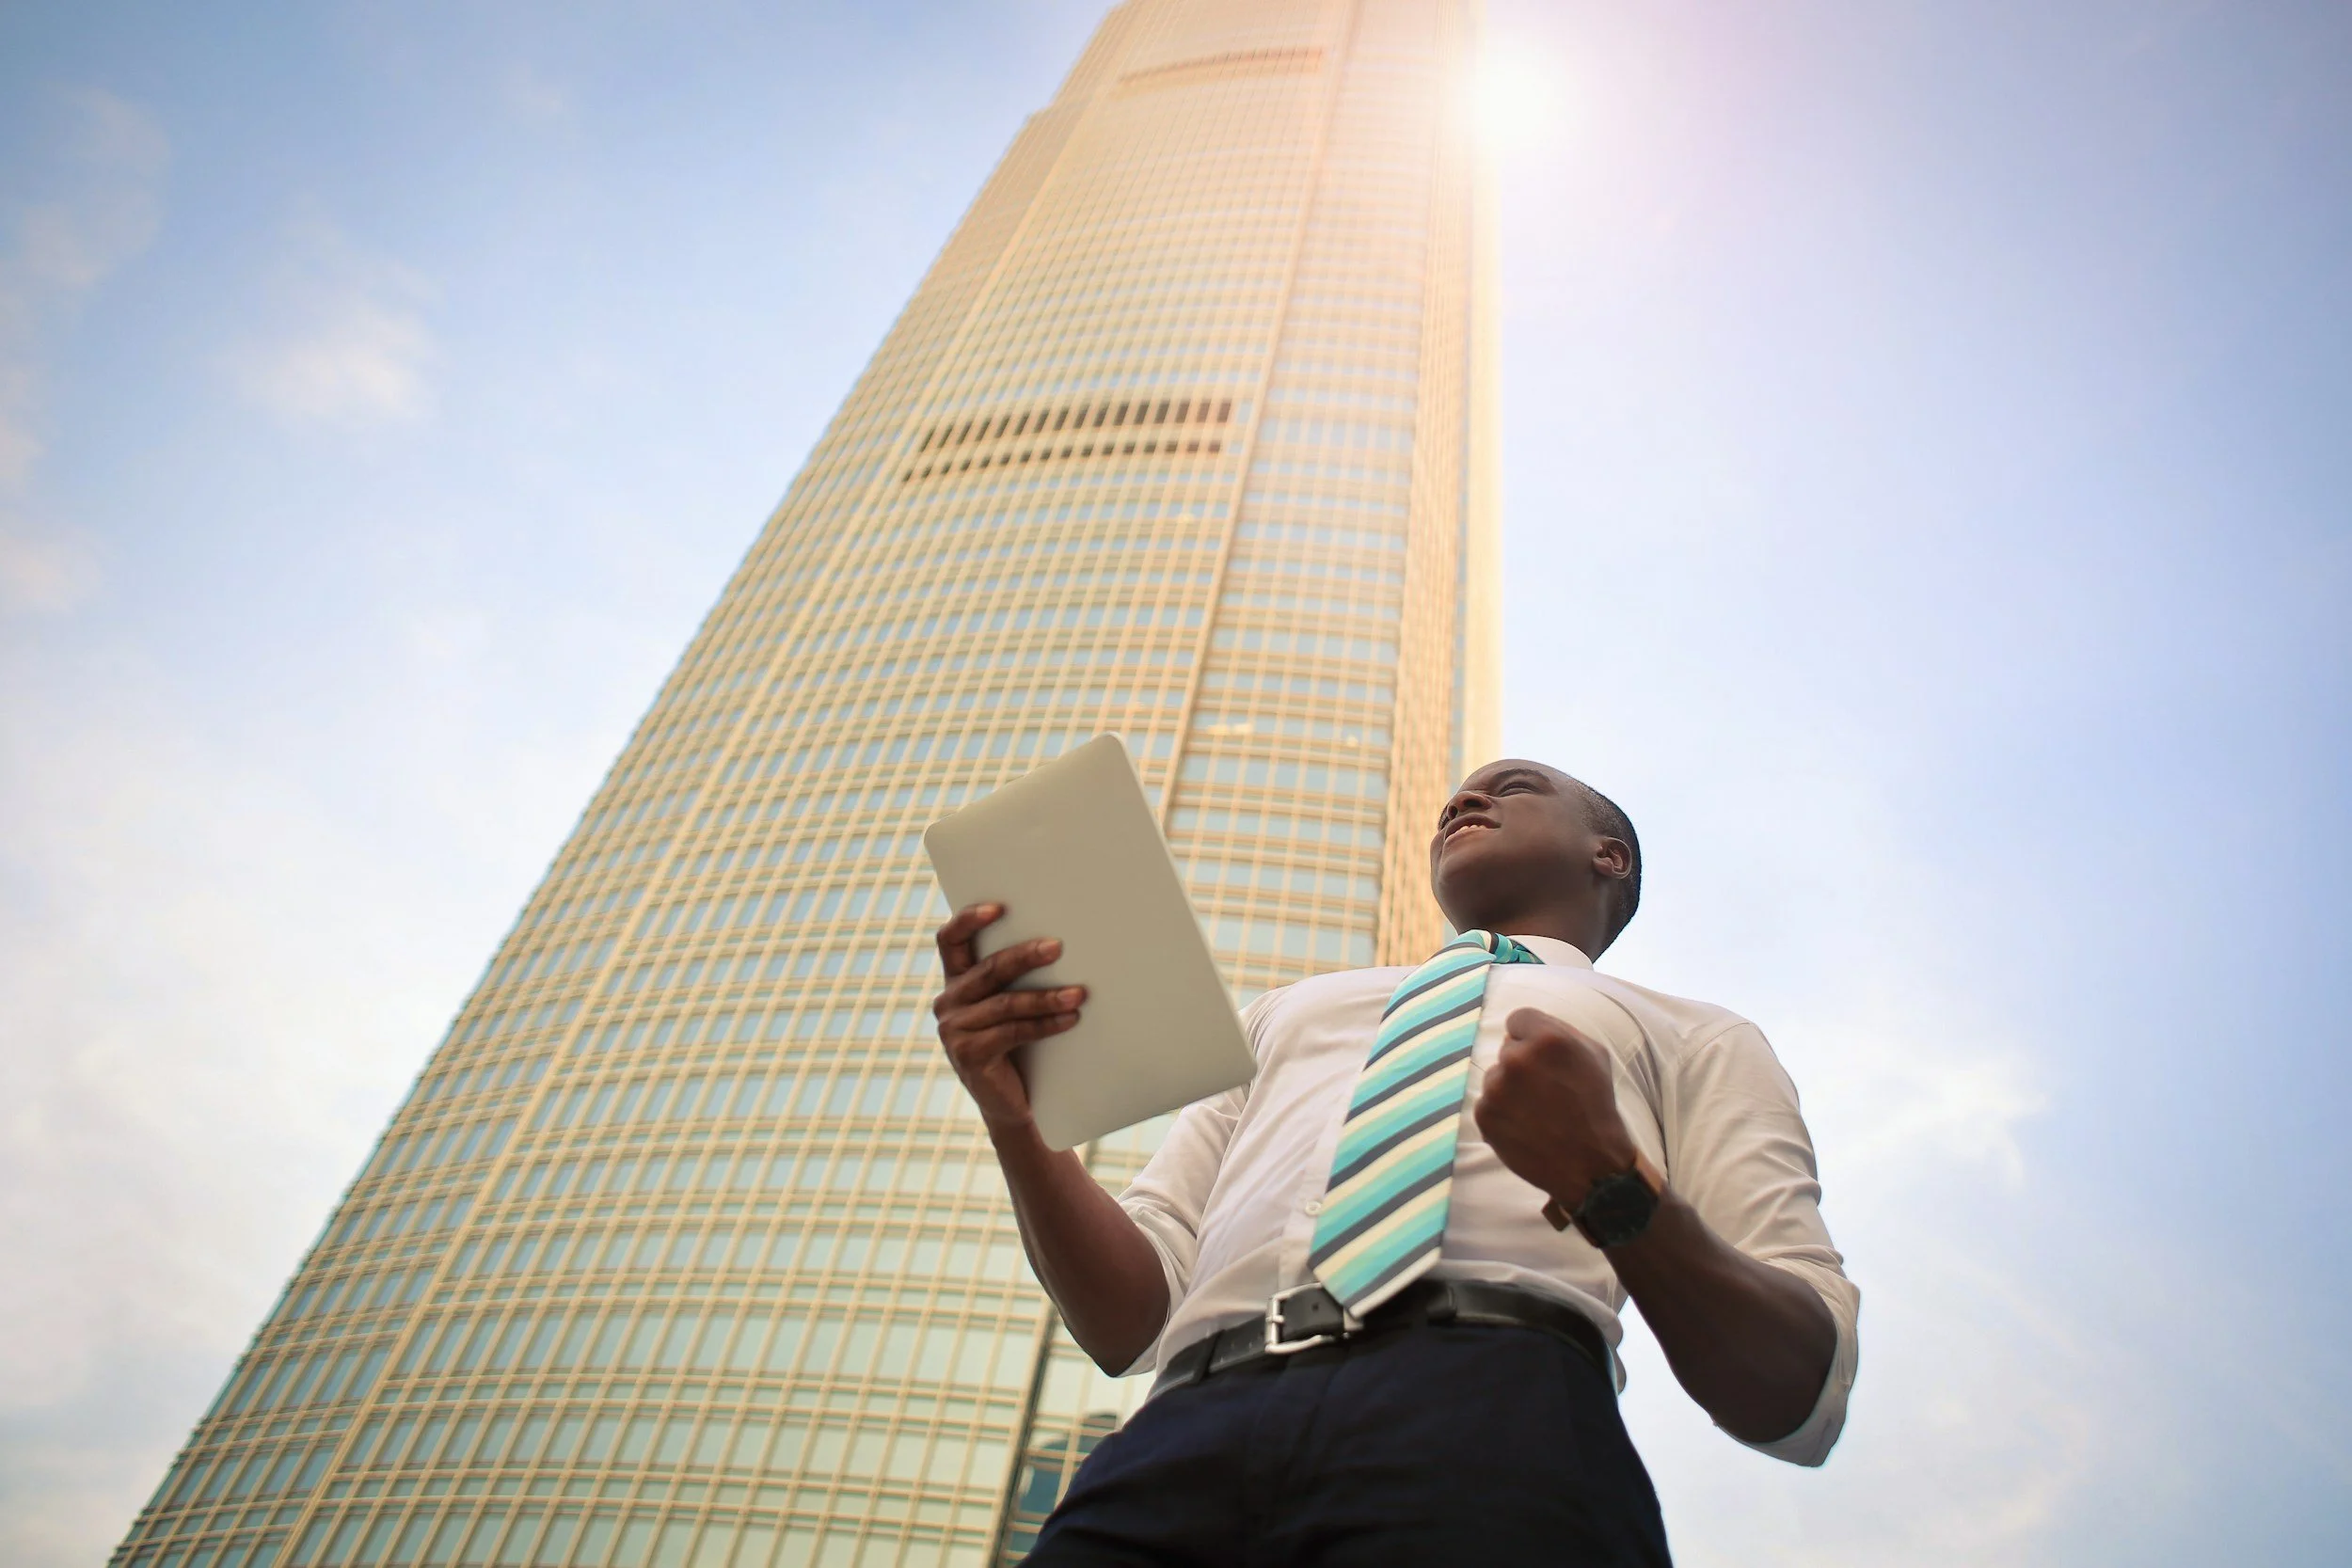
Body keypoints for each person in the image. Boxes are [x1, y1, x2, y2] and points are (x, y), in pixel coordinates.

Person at [930, 759, 1858, 1565]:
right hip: (1180, 1431)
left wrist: (1610, 1182)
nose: (1464, 799)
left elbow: (1796, 1389)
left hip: (1496, 1415)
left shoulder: (1695, 1035)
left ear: (1606, 854)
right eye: (1455, 797)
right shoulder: (1285, 1012)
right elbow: (1128, 1317)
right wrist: (1018, 1123)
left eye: (1512, 786)